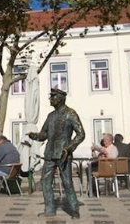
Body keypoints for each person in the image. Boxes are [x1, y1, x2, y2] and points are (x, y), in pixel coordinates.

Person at [27, 88, 85, 219]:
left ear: (60, 98)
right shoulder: (50, 116)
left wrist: (69, 148)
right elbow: (44, 135)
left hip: (63, 154)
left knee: (67, 182)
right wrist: (34, 136)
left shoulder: (71, 113)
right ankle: (49, 209)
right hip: (49, 153)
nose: (50, 99)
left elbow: (81, 134)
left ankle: (74, 209)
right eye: (51, 96)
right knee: (45, 181)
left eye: (53, 96)